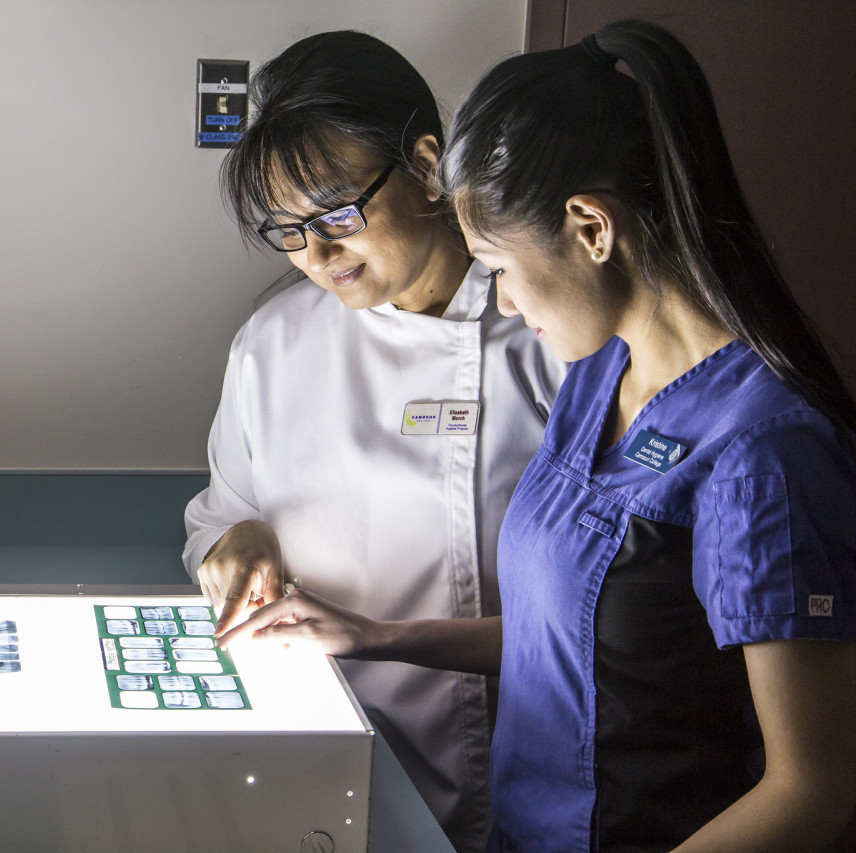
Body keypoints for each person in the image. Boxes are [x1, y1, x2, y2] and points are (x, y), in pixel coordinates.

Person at [221, 20, 856, 853]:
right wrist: (373, 635)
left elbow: (813, 792)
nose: (506, 307)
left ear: (592, 228)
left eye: (505, 269)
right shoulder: (598, 382)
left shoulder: (761, 450)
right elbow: (569, 631)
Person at [182, 30, 566, 852]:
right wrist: (235, 543)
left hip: (533, 761)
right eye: (286, 231)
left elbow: (613, 600)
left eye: (337, 215)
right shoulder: (272, 346)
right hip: (327, 747)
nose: (317, 255)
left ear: (428, 165)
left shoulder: (545, 330)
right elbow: (220, 518)